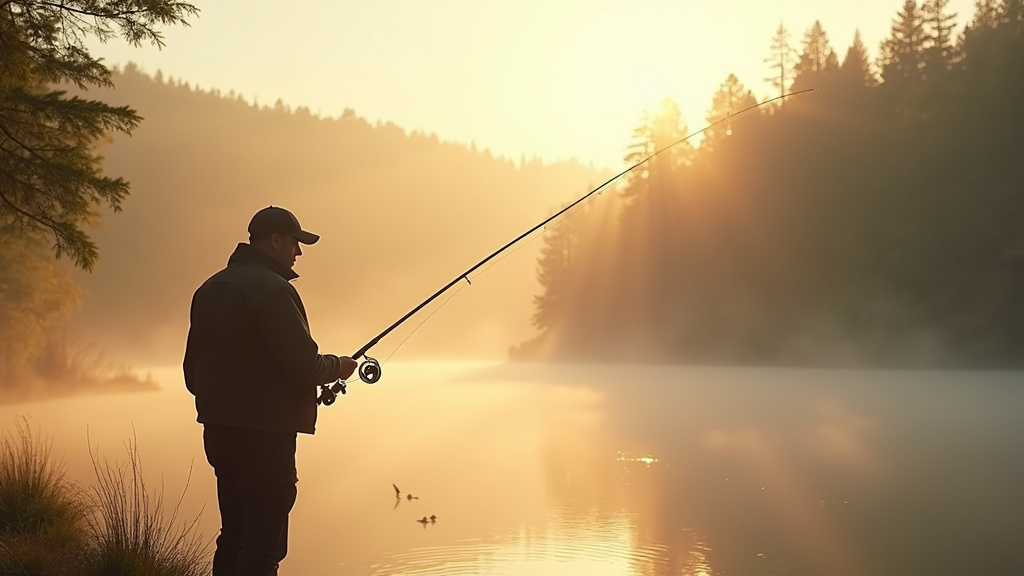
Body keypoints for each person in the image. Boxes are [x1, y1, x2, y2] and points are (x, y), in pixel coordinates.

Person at [183, 206, 357, 576]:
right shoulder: (274, 291)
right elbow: (305, 365)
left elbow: (190, 374)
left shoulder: (209, 288)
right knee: (263, 548)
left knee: (233, 536)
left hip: (218, 434)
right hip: (265, 443)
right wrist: (339, 366)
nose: (299, 252)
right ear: (275, 240)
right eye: (296, 242)